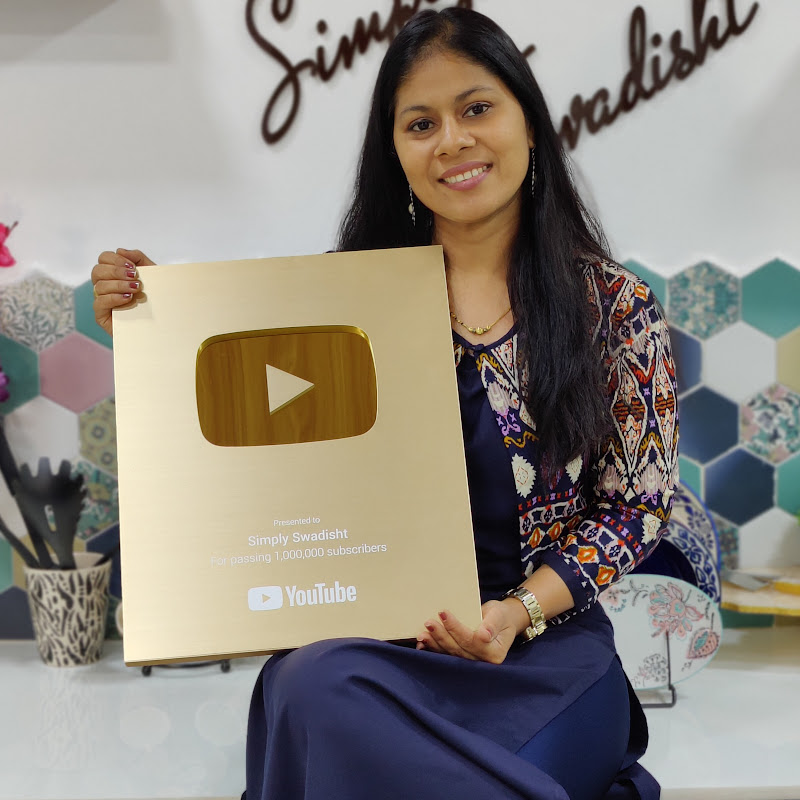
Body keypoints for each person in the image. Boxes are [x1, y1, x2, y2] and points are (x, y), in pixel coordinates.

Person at [92, 8, 678, 799]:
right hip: (379, 652)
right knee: (308, 683)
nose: (453, 141)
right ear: (395, 150)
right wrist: (152, 328)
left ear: (529, 125)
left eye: (477, 109)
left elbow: (637, 509)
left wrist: (515, 614)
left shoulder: (613, 307)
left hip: (544, 651)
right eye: (420, 123)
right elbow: (254, 466)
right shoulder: (340, 302)